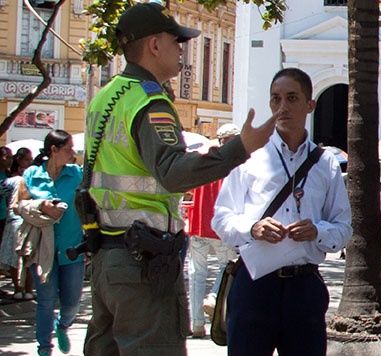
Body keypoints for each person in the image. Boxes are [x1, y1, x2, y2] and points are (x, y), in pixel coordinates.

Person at [82, 3, 276, 355]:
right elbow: (173, 173)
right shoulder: (149, 101)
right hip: (142, 263)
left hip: (108, 258)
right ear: (154, 45)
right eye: (177, 40)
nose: (182, 49)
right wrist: (240, 148)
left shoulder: (106, 97)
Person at [211, 68, 351, 355]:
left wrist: (318, 231)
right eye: (276, 99)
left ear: (310, 105)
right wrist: (253, 228)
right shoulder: (249, 157)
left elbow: (343, 227)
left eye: (291, 98)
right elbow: (221, 218)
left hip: (304, 288)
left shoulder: (326, 163)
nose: (282, 107)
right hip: (254, 285)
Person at [15, 130, 83, 356]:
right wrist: (41, 206)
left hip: (72, 249)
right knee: (45, 300)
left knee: (72, 303)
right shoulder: (32, 174)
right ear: (54, 150)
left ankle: (63, 325)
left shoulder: (76, 174)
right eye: (68, 149)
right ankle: (44, 349)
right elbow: (19, 206)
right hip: (42, 249)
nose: (73, 153)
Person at [186, 124, 241, 338]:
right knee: (225, 267)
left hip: (198, 224)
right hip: (220, 228)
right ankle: (214, 295)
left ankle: (197, 324)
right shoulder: (232, 163)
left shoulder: (200, 157)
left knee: (196, 274)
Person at [0, 147, 34, 300]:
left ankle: (26, 289)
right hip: (13, 219)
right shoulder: (15, 179)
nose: (30, 162)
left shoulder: (17, 176)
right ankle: (19, 288)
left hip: (18, 218)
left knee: (26, 255)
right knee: (17, 256)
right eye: (27, 159)